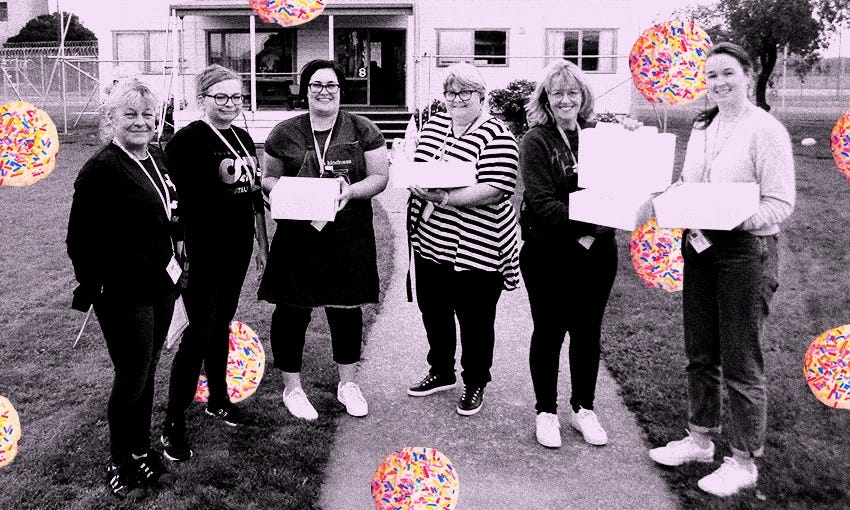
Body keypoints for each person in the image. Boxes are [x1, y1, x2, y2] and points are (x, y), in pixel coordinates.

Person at [648, 42, 795, 497]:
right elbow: (693, 182)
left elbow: (781, 202)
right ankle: (698, 440)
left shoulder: (765, 129)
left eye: (728, 73)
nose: (719, 83)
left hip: (744, 252)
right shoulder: (702, 125)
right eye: (711, 76)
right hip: (700, 248)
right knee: (700, 351)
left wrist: (730, 215)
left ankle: (744, 461)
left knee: (741, 359)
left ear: (748, 76)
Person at [67, 78, 180, 500]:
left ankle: (139, 449)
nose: (140, 122)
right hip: (123, 293)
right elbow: (78, 241)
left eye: (147, 115)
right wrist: (97, 285)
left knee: (148, 371)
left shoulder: (155, 157)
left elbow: (170, 211)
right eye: (129, 114)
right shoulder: (101, 168)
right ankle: (118, 458)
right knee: (132, 376)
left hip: (162, 285)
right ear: (111, 119)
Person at [519, 60, 641, 448]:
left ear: (584, 97)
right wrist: (593, 220)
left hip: (598, 255)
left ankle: (583, 408)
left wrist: (636, 144)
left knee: (587, 333)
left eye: (573, 92)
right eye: (557, 93)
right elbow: (541, 204)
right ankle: (546, 411)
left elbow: (625, 189)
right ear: (546, 99)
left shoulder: (601, 136)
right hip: (547, 254)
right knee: (550, 331)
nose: (566, 100)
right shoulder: (535, 141)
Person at [259, 59, 388, 420]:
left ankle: (347, 383)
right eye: (316, 84)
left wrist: (352, 190)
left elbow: (379, 177)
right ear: (305, 89)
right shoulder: (285, 132)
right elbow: (268, 178)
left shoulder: (363, 129)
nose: (324, 91)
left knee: (346, 309)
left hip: (348, 234)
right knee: (292, 310)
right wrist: (293, 189)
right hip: (299, 235)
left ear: (340, 90)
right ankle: (292, 388)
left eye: (331, 85)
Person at [160, 64, 269, 462]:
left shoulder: (242, 137)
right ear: (203, 99)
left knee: (221, 324)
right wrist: (178, 247)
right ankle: (173, 423)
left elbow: (253, 196)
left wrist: (262, 244)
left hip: (236, 247)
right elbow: (172, 201)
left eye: (236, 97)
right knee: (200, 331)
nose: (229, 104)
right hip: (202, 251)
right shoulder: (187, 141)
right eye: (220, 97)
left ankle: (218, 399)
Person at [406, 62, 520, 417]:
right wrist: (413, 181)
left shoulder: (497, 134)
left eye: (465, 92)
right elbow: (419, 165)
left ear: (481, 96)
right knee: (434, 311)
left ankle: (475, 381)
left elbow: (494, 188)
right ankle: (441, 371)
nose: (456, 99)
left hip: (478, 246)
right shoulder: (434, 126)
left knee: (475, 320)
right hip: (431, 241)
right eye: (450, 92)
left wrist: (442, 198)